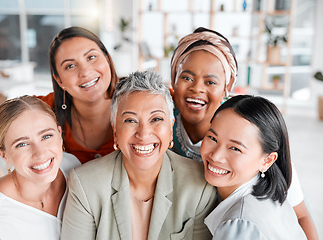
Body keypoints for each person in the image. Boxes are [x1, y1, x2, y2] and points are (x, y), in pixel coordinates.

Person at [169, 27, 318, 239]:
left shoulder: (253, 132)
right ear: (173, 80)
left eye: (210, 81)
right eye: (186, 77)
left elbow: (300, 215)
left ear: (227, 87)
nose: (197, 88)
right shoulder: (159, 126)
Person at [61, 71, 217, 240]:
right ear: (115, 131)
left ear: (171, 128)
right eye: (130, 120)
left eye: (156, 119)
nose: (143, 134)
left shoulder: (199, 185)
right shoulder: (86, 184)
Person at [0, 26, 119, 164]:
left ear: (107, 59)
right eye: (70, 66)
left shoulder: (134, 100)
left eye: (91, 57)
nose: (85, 72)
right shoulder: (47, 108)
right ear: (59, 80)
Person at [0, 95, 81, 240]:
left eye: (46, 136)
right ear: (3, 154)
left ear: (59, 134)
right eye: (22, 144)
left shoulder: (72, 167)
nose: (40, 153)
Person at [200, 95, 306, 239]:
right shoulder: (270, 195)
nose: (216, 156)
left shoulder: (241, 223)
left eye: (235, 148)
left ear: (267, 160)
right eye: (212, 138)